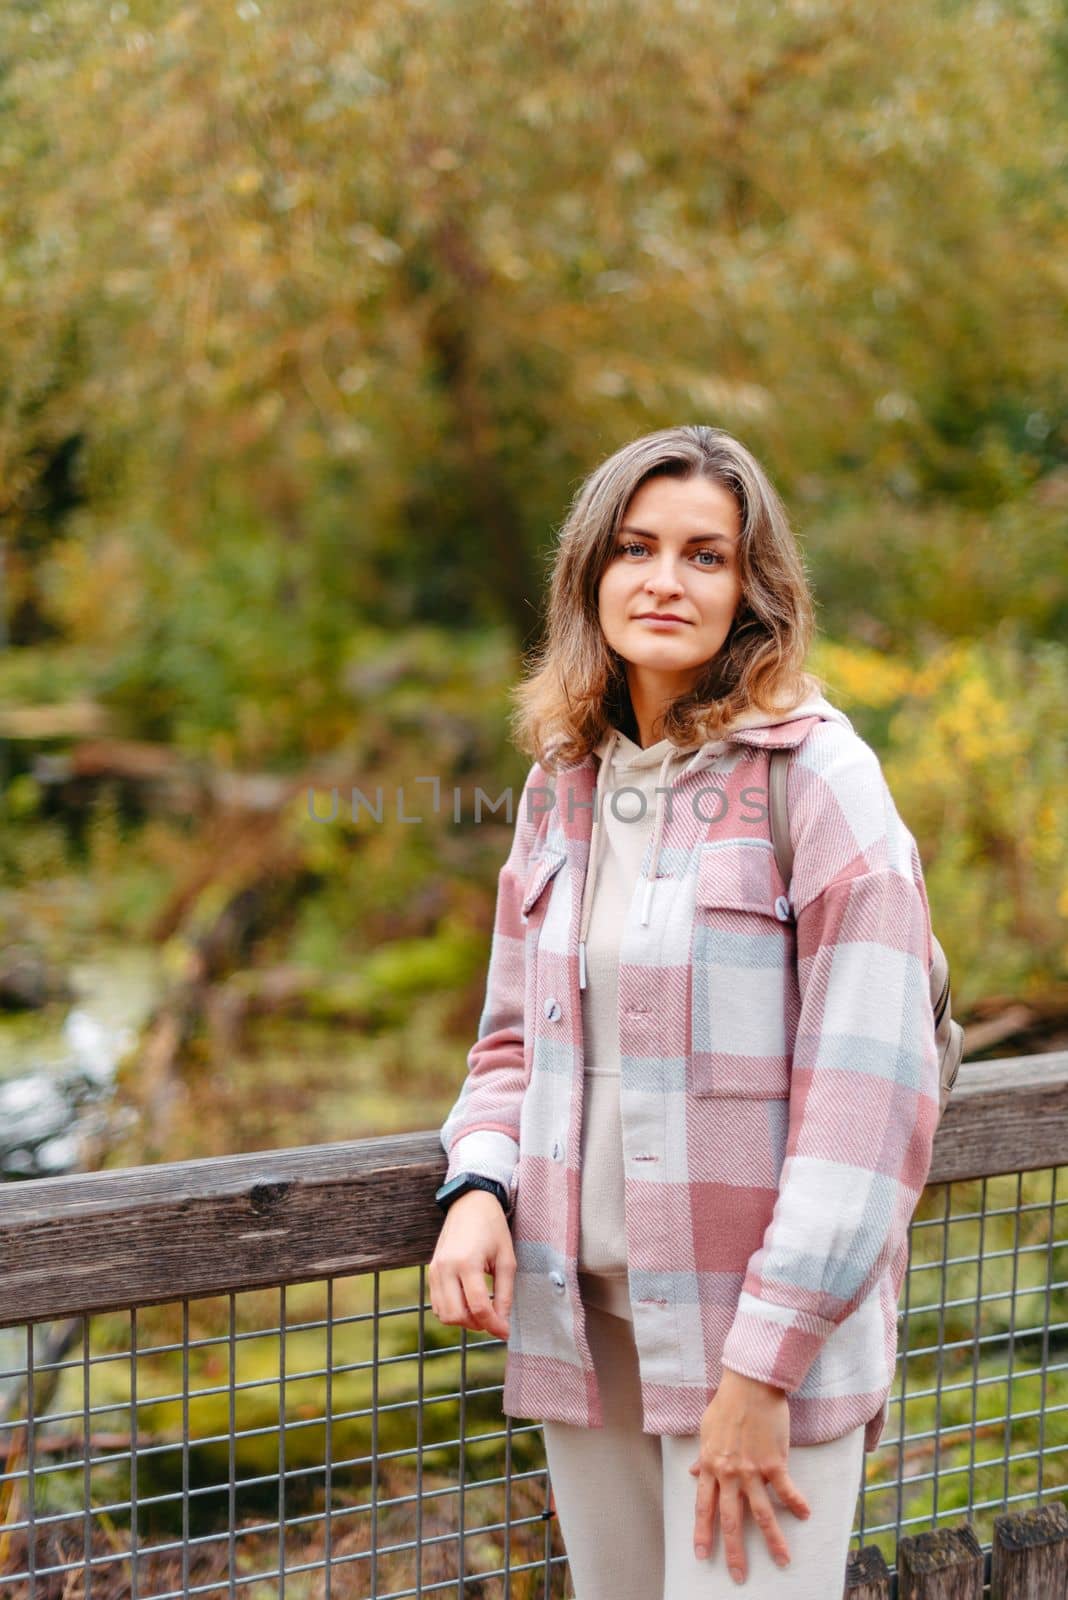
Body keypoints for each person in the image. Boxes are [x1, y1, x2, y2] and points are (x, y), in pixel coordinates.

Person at [429, 425, 941, 1598]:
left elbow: (869, 1113)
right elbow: (510, 1041)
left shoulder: (821, 783)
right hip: (583, 1326)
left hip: (755, 1344)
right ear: (589, 575)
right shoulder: (563, 779)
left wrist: (763, 1374)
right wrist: (477, 1184)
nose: (665, 579)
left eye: (705, 556)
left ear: (752, 591)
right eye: (636, 547)